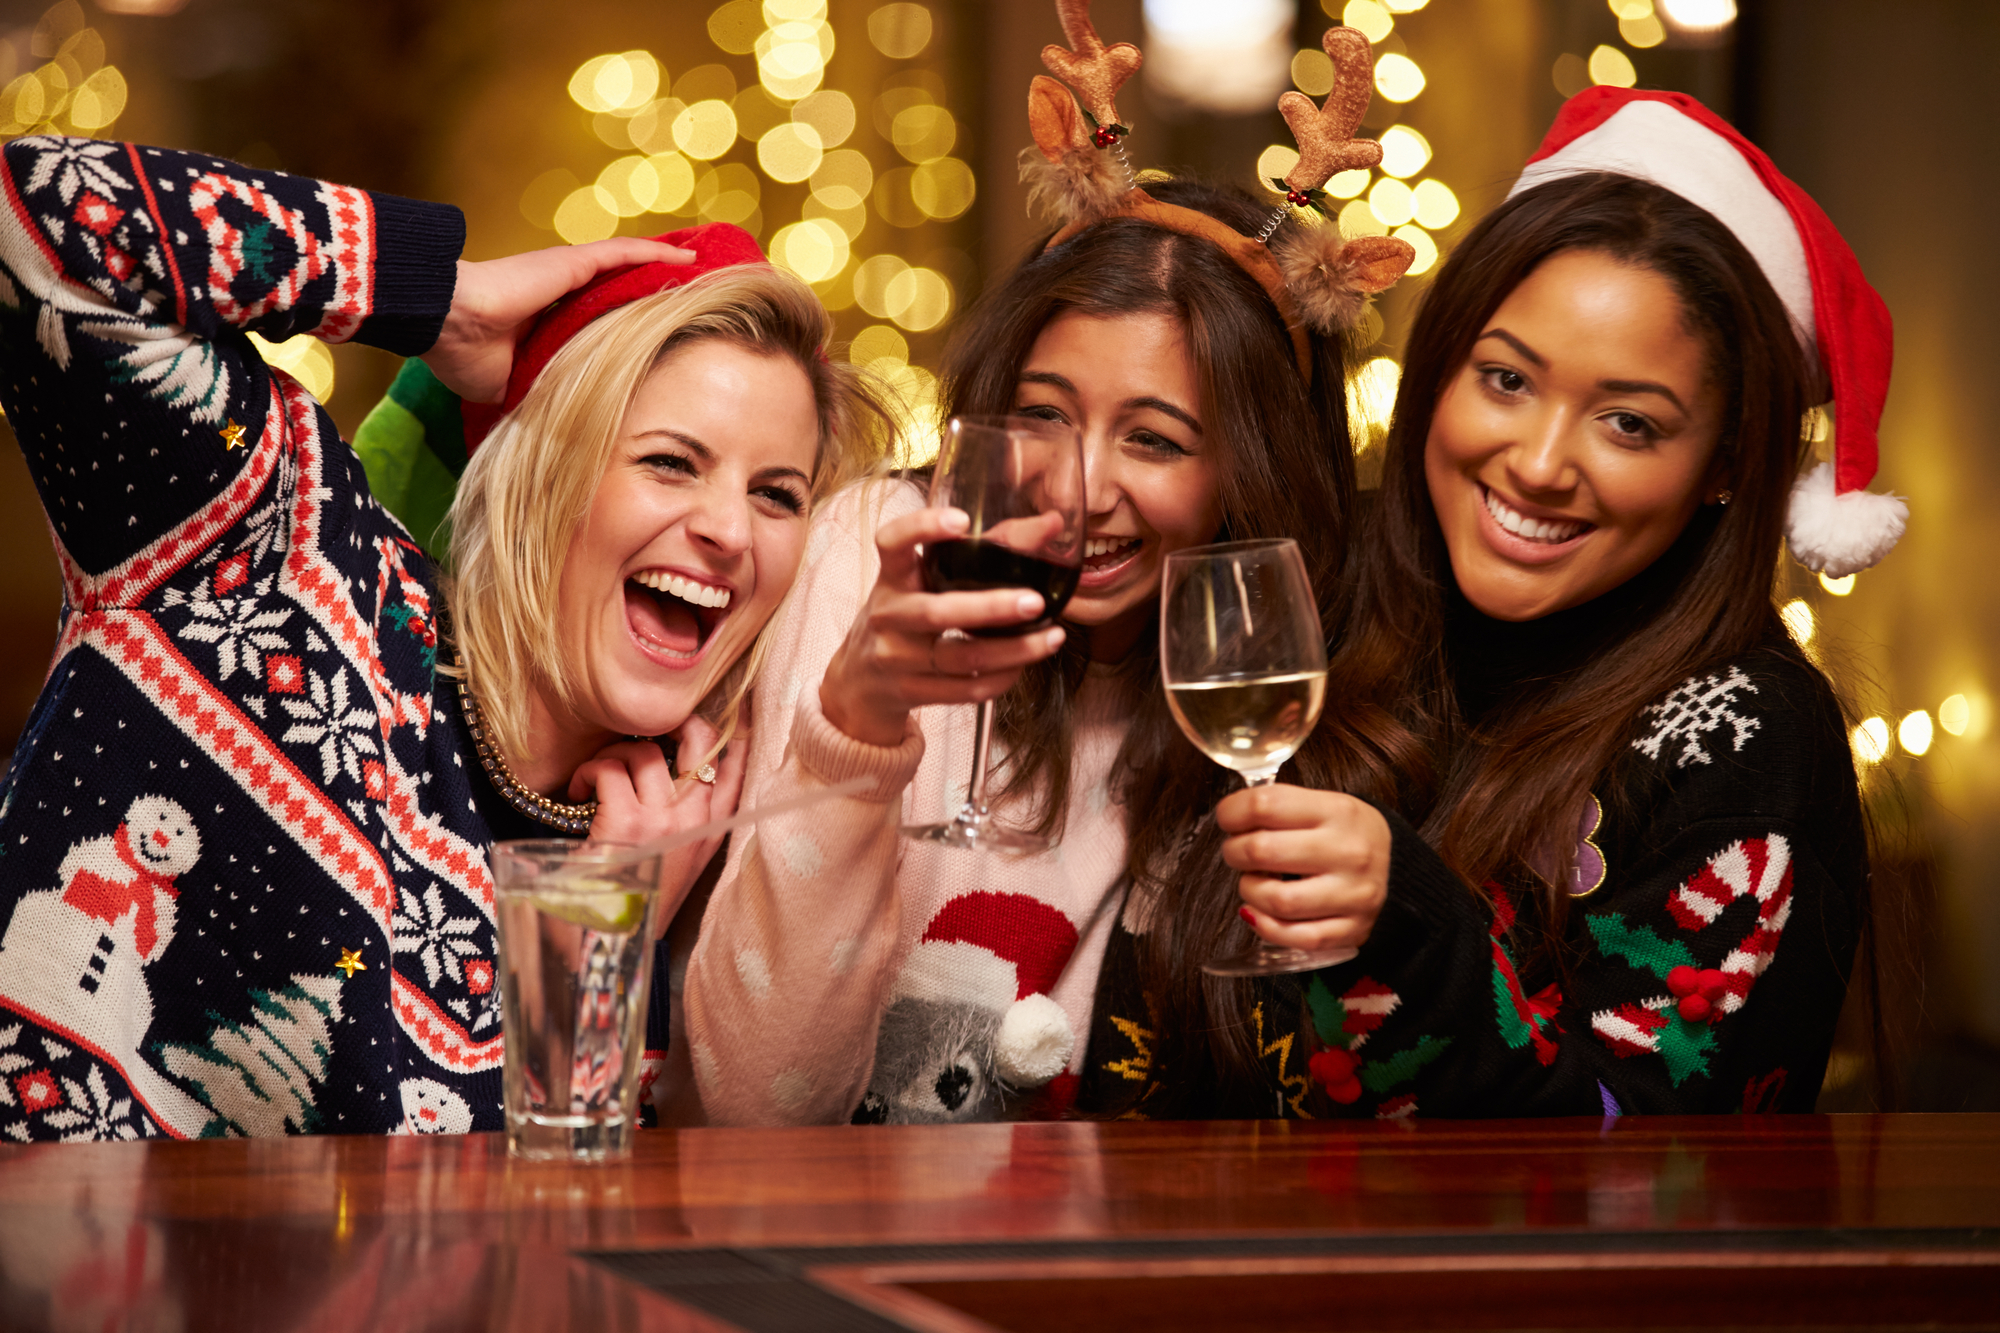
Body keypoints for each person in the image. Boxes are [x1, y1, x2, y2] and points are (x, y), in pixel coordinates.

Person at [0, 132, 885, 1142]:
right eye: (672, 463)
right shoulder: (284, 553)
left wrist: (597, 932)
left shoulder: (685, 842)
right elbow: (34, 220)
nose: (731, 531)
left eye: (778, 494)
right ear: (536, 474)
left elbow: (513, 1251)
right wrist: (433, 295)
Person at [1082, 87, 1902, 1119]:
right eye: (1506, 380)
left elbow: (1647, 1175)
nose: (1539, 463)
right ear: (1441, 367)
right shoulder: (1316, 586)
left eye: (1629, 423)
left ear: (1724, 462)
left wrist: (1409, 914)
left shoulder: (1743, 739)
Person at [669, 13, 1413, 1125]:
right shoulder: (880, 554)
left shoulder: (1274, 659)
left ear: (1248, 473)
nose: (1074, 489)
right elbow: (745, 1109)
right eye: (1042, 417)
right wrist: (854, 728)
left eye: (1154, 440)